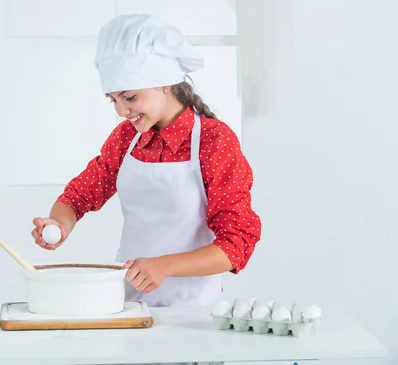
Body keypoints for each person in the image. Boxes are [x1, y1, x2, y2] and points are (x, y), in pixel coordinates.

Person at [31, 13, 261, 310]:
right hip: (126, 304)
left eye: (130, 97)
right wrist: (60, 224)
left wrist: (163, 266)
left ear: (165, 83)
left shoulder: (214, 142)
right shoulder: (127, 138)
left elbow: (236, 245)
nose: (122, 111)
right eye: (113, 100)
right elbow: (78, 195)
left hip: (192, 311)